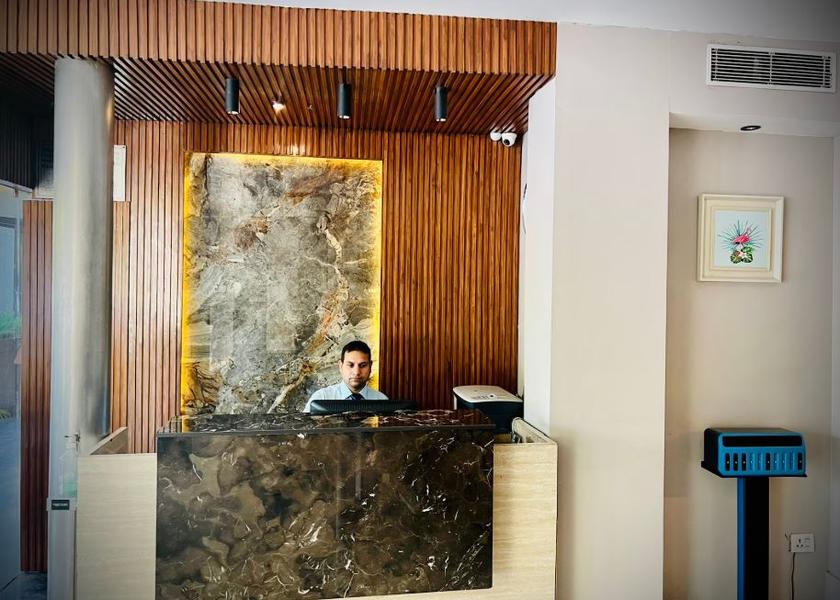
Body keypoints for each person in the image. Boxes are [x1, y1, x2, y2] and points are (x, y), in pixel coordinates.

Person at [303, 340, 388, 412]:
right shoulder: (321, 398)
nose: (356, 372)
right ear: (341, 366)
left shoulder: (382, 401)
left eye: (363, 365)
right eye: (350, 365)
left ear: (370, 366)